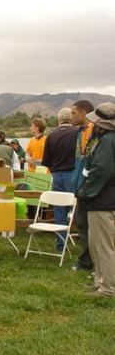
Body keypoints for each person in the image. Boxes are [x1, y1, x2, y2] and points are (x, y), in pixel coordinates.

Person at [77, 102, 115, 297]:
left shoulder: (108, 140)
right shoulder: (107, 139)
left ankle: (108, 287)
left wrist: (86, 191)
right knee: (96, 243)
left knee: (103, 245)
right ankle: (100, 281)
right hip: (102, 199)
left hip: (103, 200)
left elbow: (102, 170)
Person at [42, 108, 78, 251]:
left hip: (56, 175)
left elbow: (46, 161)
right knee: (77, 209)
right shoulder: (77, 133)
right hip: (73, 173)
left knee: (59, 210)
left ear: (59, 120)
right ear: (71, 119)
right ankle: (84, 244)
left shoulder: (51, 136)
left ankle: (61, 245)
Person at [70, 100, 97, 271]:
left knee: (94, 227)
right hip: (79, 186)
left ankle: (94, 262)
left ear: (84, 112)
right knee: (82, 224)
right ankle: (86, 260)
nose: (71, 116)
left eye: (73, 113)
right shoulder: (79, 132)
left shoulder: (97, 132)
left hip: (92, 187)